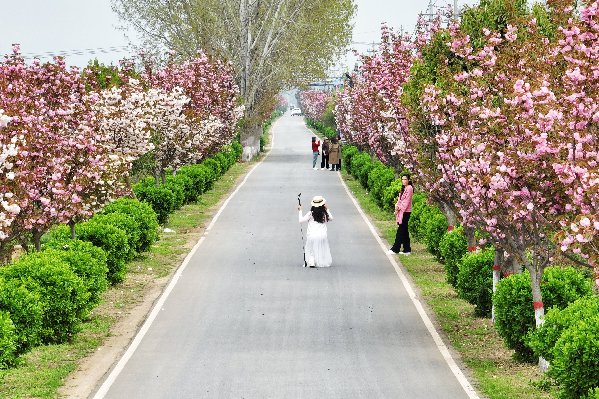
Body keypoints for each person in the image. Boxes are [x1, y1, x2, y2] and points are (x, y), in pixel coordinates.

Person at [298, 195, 333, 267]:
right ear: (323, 204)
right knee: (321, 247)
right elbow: (331, 218)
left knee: (311, 248)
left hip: (311, 235)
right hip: (322, 235)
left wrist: (300, 211)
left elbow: (301, 220)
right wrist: (328, 209)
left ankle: (311, 261)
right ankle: (320, 260)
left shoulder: (310, 213)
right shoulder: (324, 213)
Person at [388, 175, 413, 255]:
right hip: (401, 211)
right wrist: (396, 207)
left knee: (400, 230)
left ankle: (395, 248)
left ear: (408, 180)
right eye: (402, 179)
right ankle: (407, 249)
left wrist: (398, 208)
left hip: (406, 212)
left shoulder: (409, 188)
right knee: (404, 230)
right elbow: (399, 200)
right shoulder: (404, 188)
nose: (404, 181)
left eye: (405, 179)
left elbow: (406, 201)